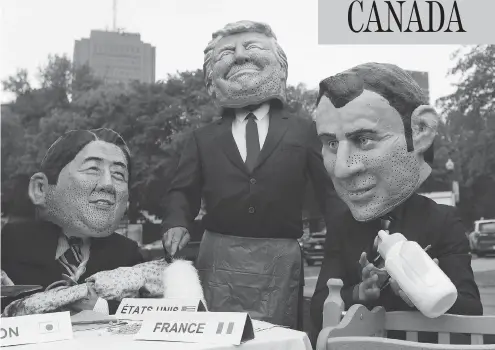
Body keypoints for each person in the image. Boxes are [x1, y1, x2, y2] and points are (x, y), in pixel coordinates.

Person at [161, 20, 339, 329]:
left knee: (277, 338)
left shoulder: (303, 130)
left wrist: (345, 234)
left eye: (252, 47)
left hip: (280, 259)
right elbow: (182, 191)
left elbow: (329, 191)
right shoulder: (202, 138)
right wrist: (176, 222)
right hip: (218, 258)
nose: (241, 57)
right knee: (217, 336)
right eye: (228, 52)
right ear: (210, 79)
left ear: (281, 67)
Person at [310, 63, 482, 337]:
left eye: (364, 139)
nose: (342, 168)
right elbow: (319, 306)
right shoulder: (343, 226)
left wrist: (425, 290)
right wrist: (359, 292)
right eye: (331, 144)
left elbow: (472, 312)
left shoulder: (442, 222)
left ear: (421, 131)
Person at [1, 128, 144, 314]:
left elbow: (145, 309)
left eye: (118, 174)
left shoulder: (126, 254)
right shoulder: (12, 242)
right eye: (93, 169)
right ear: (41, 189)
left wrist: (100, 308)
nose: (108, 184)